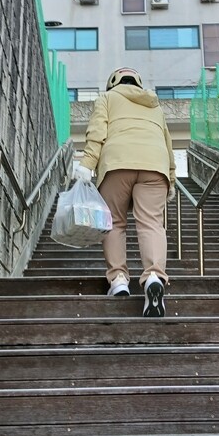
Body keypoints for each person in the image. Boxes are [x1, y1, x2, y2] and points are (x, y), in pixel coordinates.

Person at [72, 67, 176, 317]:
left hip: (117, 163)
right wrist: (170, 177)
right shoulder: (155, 106)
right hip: (155, 166)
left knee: (114, 223)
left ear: (113, 83)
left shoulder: (107, 98)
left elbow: (97, 133)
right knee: (151, 223)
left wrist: (86, 164)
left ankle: (118, 280)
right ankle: (153, 277)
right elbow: (168, 143)